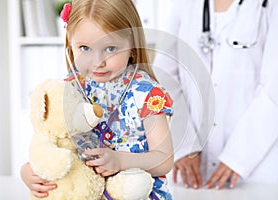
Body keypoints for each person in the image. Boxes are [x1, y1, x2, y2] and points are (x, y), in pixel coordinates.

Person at [20, 0, 174, 199]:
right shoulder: (70, 88)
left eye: (110, 48)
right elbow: (51, 137)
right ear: (70, 45)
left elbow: (164, 159)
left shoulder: (148, 94)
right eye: (85, 48)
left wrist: (120, 161)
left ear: (132, 46)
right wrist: (30, 170)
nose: (97, 61)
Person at [153, 0, 278, 190]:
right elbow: (164, 76)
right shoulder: (185, 5)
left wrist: (238, 156)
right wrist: (185, 144)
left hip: (256, 171)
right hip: (190, 170)